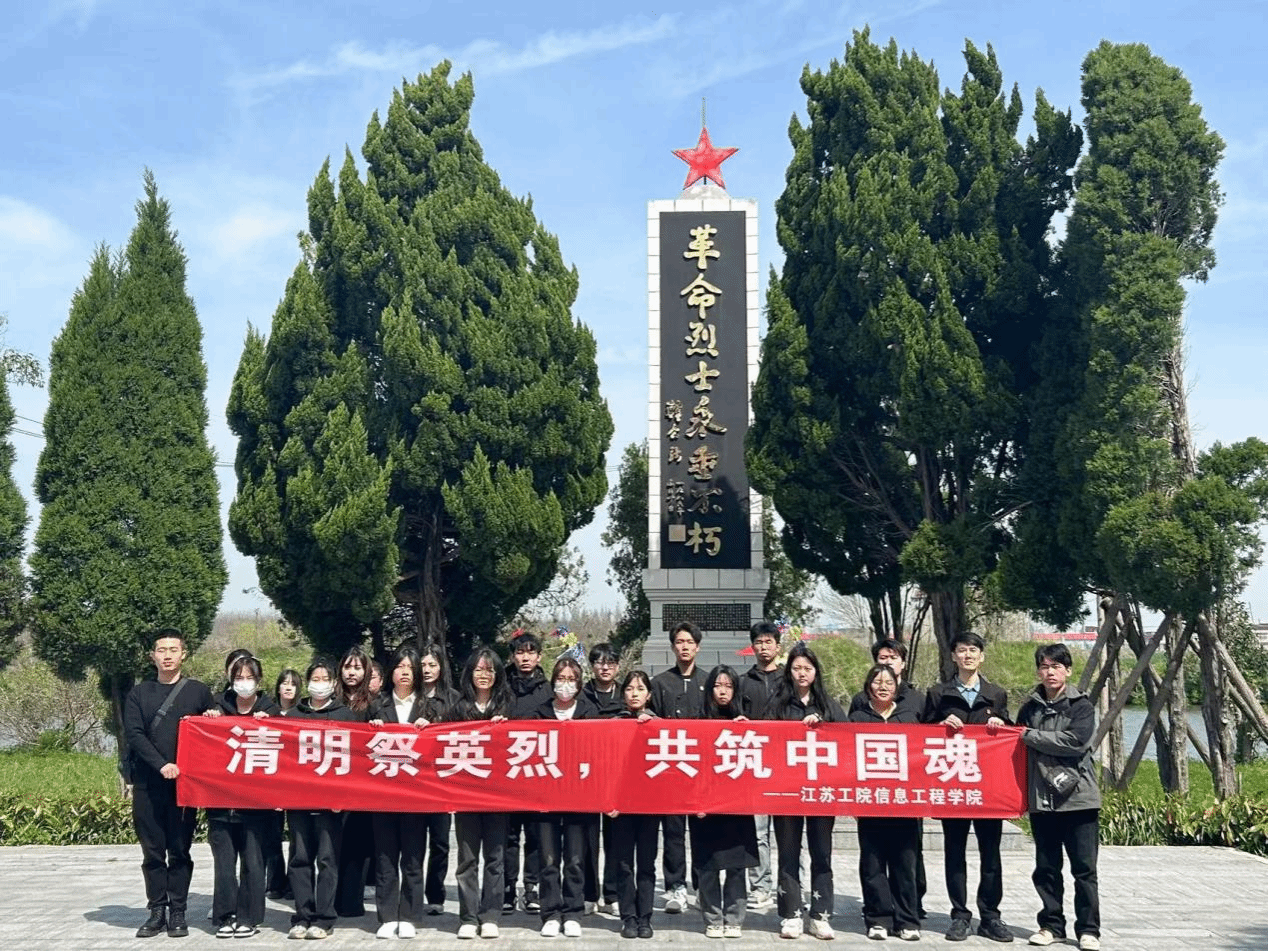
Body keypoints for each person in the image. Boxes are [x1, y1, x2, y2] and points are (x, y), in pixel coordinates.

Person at [921, 631, 1013, 943]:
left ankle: (990, 916)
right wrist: (939, 726)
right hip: (953, 784)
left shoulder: (996, 694)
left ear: (981, 656)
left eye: (973, 650)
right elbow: (921, 735)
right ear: (953, 656)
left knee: (991, 853)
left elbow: (1010, 735)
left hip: (987, 787)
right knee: (954, 851)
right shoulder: (938, 694)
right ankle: (959, 915)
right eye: (962, 650)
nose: (968, 655)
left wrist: (1001, 724)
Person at [124, 628, 215, 939]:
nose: (167, 656)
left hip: (183, 786)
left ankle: (178, 911)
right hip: (148, 783)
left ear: (183, 654)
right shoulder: (139, 693)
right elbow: (134, 734)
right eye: (161, 650)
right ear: (152, 656)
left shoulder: (198, 691)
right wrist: (161, 764)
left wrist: (213, 716)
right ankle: (156, 911)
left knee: (179, 850)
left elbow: (213, 735)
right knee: (152, 852)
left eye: (173, 650)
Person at [1017, 644, 1101, 951]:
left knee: (1084, 869)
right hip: (1043, 800)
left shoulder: (1081, 706)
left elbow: (1075, 742)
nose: (1050, 672)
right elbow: (1015, 739)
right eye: (1044, 666)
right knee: (1046, 868)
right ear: (1038, 671)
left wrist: (1031, 736)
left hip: (1079, 799)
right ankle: (1051, 926)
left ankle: (1088, 930)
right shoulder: (1030, 708)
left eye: (1056, 666)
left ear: (1068, 670)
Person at [768, 642, 844, 940]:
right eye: (796, 668)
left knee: (821, 854)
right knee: (788, 854)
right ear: (789, 671)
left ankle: (821, 915)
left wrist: (822, 727)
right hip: (786, 792)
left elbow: (847, 740)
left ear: (816, 672)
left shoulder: (828, 705)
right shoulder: (777, 704)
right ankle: (790, 914)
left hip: (821, 793)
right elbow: (765, 739)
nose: (802, 673)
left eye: (807, 668)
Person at [848, 638, 928, 916]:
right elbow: (847, 746)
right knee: (872, 857)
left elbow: (930, 740)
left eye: (893, 657)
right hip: (871, 794)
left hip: (907, 794)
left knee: (909, 855)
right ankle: (877, 911)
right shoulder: (859, 705)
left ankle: (911, 908)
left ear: (903, 663)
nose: (887, 663)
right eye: (882, 658)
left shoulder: (917, 700)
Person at [205, 654, 279, 938]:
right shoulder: (218, 706)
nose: (244, 683)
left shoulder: (270, 710)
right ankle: (225, 915)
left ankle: (248, 917)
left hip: (256, 805)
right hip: (221, 802)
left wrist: (271, 723)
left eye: (249, 678)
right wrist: (208, 720)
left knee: (253, 863)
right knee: (224, 865)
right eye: (239, 678)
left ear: (259, 681)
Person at [366, 645, 434, 939]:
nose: (405, 672)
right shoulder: (377, 705)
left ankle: (409, 915)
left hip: (417, 796)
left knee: (413, 859)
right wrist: (371, 729)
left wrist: (430, 729)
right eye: (399, 666)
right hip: (383, 794)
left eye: (410, 667)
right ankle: (386, 915)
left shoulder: (429, 706)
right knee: (385, 858)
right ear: (390, 672)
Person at [287, 657, 357, 940]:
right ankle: (302, 915)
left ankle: (325, 918)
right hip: (298, 800)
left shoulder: (345, 715)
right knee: (300, 858)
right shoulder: (293, 716)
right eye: (315, 679)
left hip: (332, 803)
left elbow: (353, 761)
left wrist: (344, 797)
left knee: (328, 860)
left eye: (325, 679)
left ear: (334, 683)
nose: (319, 684)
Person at [530, 656, 600, 937]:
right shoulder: (539, 713)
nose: (566, 684)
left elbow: (598, 751)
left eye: (571, 679)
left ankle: (572, 911)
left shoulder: (589, 711)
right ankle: (550, 912)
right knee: (548, 859)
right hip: (546, 797)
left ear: (579, 684)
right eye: (561, 679)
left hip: (579, 798)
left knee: (575, 859)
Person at [447, 648, 514, 939]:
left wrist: (505, 728)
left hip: (498, 795)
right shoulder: (458, 706)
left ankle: (490, 916)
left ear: (497, 674)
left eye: (489, 670)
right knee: (467, 859)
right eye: (478, 669)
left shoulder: (508, 704)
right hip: (467, 795)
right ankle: (468, 916)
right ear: (469, 673)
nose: (484, 675)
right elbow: (442, 743)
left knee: (495, 859)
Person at [694, 665, 759, 938]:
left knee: (736, 865)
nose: (723, 691)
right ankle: (712, 918)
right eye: (718, 686)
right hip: (705, 805)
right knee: (707, 865)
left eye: (728, 686)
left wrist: (747, 730)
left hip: (737, 804)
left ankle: (734, 918)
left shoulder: (746, 723)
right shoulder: (697, 723)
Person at [650, 621, 708, 914]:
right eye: (679, 642)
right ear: (673, 647)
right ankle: (675, 887)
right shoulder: (660, 683)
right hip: (670, 769)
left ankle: (702, 886)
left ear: (698, 647)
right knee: (673, 832)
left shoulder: (710, 681)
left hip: (700, 772)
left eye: (689, 642)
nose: (684, 647)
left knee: (702, 832)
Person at [607, 670, 660, 939]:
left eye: (640, 689)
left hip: (650, 805)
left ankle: (645, 917)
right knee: (624, 863)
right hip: (621, 806)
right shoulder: (613, 724)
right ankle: (628, 916)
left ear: (648, 695)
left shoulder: (659, 725)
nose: (634, 693)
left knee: (647, 863)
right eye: (629, 688)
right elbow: (605, 765)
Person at [505, 631, 552, 914]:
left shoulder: (548, 689)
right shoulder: (502, 686)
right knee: (509, 836)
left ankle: (531, 886)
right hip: (507, 772)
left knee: (535, 836)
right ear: (513, 656)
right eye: (520, 652)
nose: (525, 657)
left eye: (531, 652)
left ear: (539, 656)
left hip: (537, 772)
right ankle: (508, 888)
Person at [739, 620, 783, 912]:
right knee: (757, 832)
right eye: (759, 642)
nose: (764, 647)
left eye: (769, 642)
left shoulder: (789, 679)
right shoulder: (744, 681)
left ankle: (792, 886)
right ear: (752, 646)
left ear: (778, 646)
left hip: (786, 766)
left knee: (791, 834)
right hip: (755, 765)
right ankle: (760, 886)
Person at [417, 643, 459, 916]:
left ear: (442, 667)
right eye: (422, 665)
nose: (427, 670)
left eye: (432, 665)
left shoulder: (454, 699)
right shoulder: (410, 696)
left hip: (442, 782)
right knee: (413, 843)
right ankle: (410, 894)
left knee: (440, 843)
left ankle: (435, 894)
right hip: (413, 780)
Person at [334, 645, 374, 920]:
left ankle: (352, 901)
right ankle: (330, 898)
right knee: (332, 845)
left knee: (357, 844)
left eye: (357, 668)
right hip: (333, 781)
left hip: (363, 785)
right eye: (347, 667)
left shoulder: (374, 703)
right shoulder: (330, 701)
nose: (351, 672)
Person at [582, 642, 622, 915]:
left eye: (610, 663)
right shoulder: (581, 694)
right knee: (587, 839)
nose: (605, 668)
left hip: (617, 778)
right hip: (587, 776)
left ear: (617, 667)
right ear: (592, 666)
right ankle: (588, 893)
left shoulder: (626, 695)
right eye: (599, 662)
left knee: (615, 838)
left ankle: (612, 894)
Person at [265, 669, 302, 901]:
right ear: (278, 687)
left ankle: (293, 883)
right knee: (272, 835)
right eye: (284, 683)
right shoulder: (268, 712)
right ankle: (275, 881)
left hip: (297, 782)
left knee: (298, 838)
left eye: (293, 684)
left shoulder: (304, 713)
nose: (288, 687)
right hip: (273, 782)